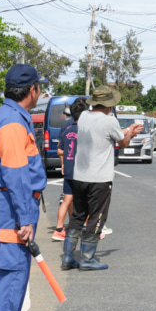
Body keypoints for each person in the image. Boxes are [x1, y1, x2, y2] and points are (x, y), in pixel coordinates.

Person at [0, 64, 48, 311]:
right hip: (15, 206)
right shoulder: (13, 122)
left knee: (15, 274)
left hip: (13, 203)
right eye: (40, 88)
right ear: (32, 90)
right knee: (13, 275)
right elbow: (16, 174)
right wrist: (24, 218)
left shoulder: (11, 116)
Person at [63, 86, 143, 272]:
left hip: (79, 175)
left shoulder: (83, 117)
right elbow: (122, 142)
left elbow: (104, 132)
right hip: (99, 178)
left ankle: (68, 257)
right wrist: (130, 132)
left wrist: (126, 131)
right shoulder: (110, 121)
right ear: (109, 104)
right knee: (96, 218)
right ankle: (88, 259)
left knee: (77, 216)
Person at [52, 98, 88, 241]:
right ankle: (92, 229)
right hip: (81, 170)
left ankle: (59, 229)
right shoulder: (85, 131)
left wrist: (63, 162)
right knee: (86, 200)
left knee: (67, 200)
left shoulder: (67, 129)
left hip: (68, 168)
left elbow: (60, 150)